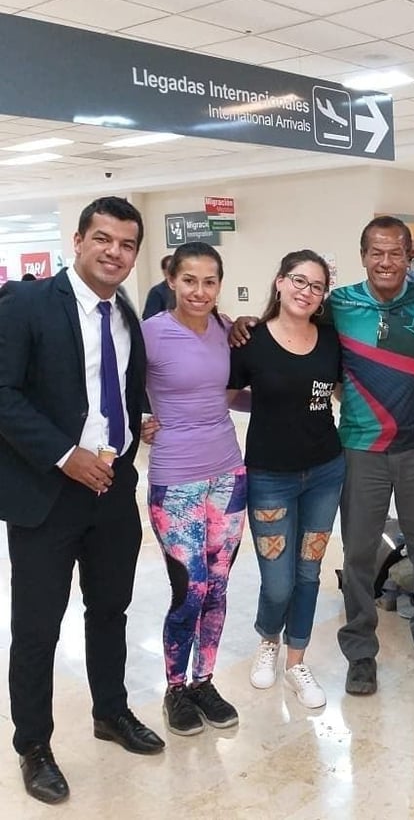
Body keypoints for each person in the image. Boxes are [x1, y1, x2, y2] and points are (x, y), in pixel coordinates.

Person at [0, 196, 165, 805]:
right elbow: (3, 392)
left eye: (126, 244)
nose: (114, 252)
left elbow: (118, 388)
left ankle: (111, 712)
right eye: (103, 239)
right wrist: (66, 454)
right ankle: (34, 745)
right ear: (77, 240)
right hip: (47, 493)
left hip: (113, 488)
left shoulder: (125, 311)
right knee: (38, 625)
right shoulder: (27, 304)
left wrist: (137, 420)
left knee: (110, 611)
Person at [330, 216, 414, 694]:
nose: (386, 262)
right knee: (359, 553)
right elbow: (292, 331)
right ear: (363, 255)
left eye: (396, 253)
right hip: (360, 447)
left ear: (409, 256)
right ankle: (360, 651)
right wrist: (243, 324)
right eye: (377, 252)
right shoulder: (337, 304)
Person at [229, 250, 344, 709]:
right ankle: (268, 640)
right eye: (299, 280)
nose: (306, 292)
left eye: (316, 286)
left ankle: (297, 660)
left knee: (309, 572)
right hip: (269, 477)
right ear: (279, 282)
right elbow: (229, 397)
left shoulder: (332, 339)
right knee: (278, 581)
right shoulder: (250, 339)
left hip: (325, 472)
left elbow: (338, 391)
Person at [141, 242, 247, 736]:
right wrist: (139, 421)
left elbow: (231, 393)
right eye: (189, 281)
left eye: (209, 281)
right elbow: (113, 391)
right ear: (172, 282)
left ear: (219, 285)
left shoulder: (228, 331)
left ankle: (204, 680)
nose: (199, 291)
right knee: (191, 590)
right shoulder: (151, 335)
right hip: (175, 479)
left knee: (219, 588)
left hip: (228, 475)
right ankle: (175, 689)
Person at [142, 254, 174, 319]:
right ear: (164, 271)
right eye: (171, 269)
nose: (174, 272)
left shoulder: (184, 289)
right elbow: (149, 318)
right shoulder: (157, 291)